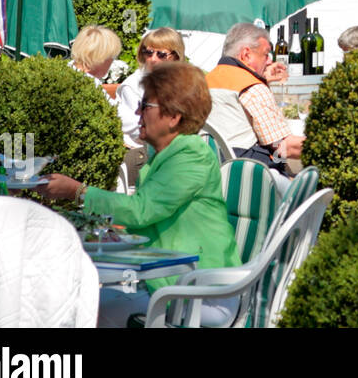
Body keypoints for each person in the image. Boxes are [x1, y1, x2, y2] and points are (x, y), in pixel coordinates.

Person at [40, 63, 241, 327]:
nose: (137, 112)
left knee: (85, 309)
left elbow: (141, 210)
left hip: (202, 294)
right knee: (80, 302)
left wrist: (77, 191)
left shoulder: (191, 155)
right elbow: (143, 218)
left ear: (173, 116)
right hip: (175, 282)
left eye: (145, 105)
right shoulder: (166, 154)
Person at [205, 22, 300, 172]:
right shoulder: (251, 87)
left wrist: (263, 78)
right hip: (246, 173)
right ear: (246, 55)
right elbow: (283, 147)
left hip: (210, 169)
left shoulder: (204, 81)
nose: (270, 61)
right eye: (266, 54)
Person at [115, 29, 187, 187]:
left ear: (175, 56)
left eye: (161, 54)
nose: (153, 59)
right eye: (148, 52)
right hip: (141, 154)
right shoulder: (133, 86)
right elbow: (139, 132)